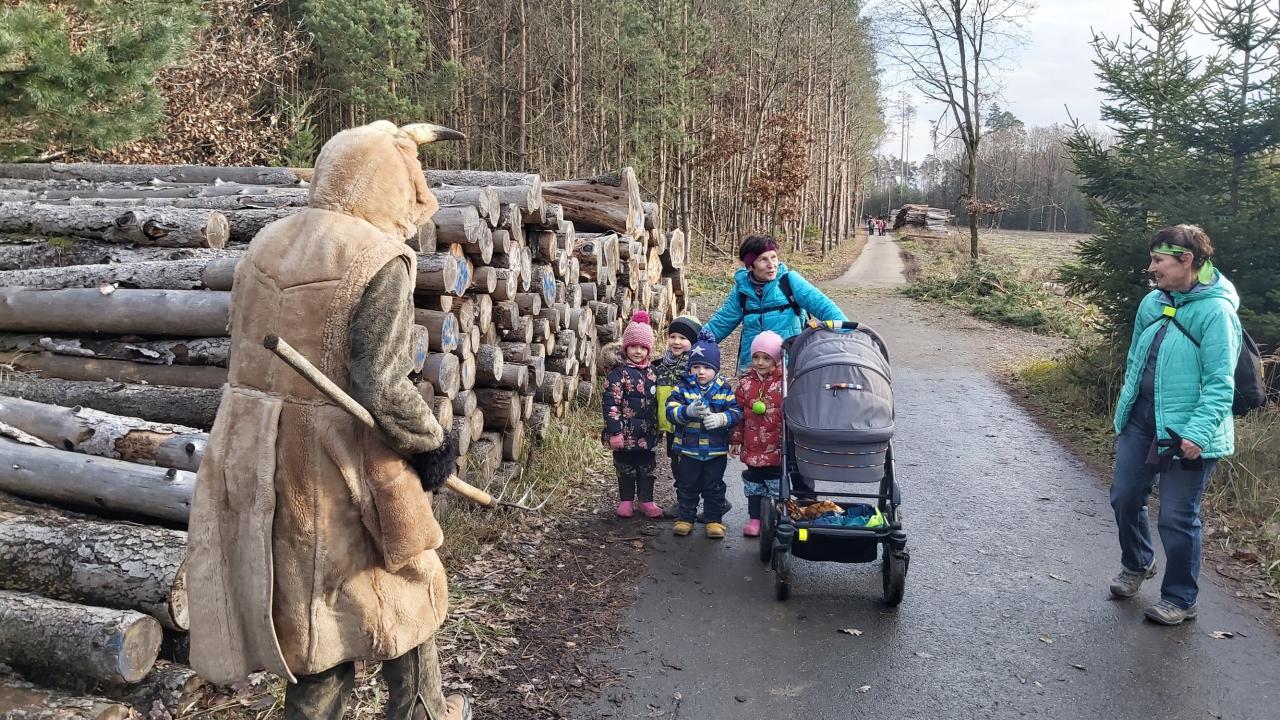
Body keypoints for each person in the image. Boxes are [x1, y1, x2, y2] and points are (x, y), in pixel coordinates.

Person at [186, 121, 471, 720]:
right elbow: (381, 383)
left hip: (250, 445)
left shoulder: (269, 240)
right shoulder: (378, 256)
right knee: (382, 585)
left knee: (319, 601)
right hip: (335, 456)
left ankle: (424, 708)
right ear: (391, 181)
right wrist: (430, 443)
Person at [1108, 224, 1242, 626]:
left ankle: (1181, 599)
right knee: (1125, 497)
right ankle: (1138, 562)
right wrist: (1125, 410)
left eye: (1158, 260)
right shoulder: (1152, 302)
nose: (1151, 268)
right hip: (1141, 421)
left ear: (1187, 261)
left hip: (1187, 432)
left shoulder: (1216, 312)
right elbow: (1135, 360)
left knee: (1176, 517)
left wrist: (1197, 434)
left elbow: (1221, 383)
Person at [703, 234, 847, 372]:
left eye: (773, 257)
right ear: (750, 266)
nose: (771, 265)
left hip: (787, 366)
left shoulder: (789, 281)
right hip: (753, 369)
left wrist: (849, 333)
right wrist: (694, 343)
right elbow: (721, 323)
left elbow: (824, 307)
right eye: (763, 259)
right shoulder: (742, 290)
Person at [666, 331, 742, 538]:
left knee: (714, 486)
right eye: (696, 367)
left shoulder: (724, 389)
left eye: (707, 368)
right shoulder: (682, 388)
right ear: (689, 368)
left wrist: (721, 419)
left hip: (715, 450)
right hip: (688, 449)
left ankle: (713, 520)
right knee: (687, 485)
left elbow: (736, 412)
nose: (701, 372)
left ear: (716, 369)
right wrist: (687, 411)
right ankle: (685, 518)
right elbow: (670, 411)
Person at [602, 310, 663, 519]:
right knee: (625, 468)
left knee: (647, 468)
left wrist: (660, 427)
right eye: (634, 346)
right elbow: (611, 404)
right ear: (626, 347)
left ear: (649, 349)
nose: (638, 351)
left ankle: (646, 501)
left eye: (643, 347)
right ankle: (626, 501)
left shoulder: (653, 373)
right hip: (624, 434)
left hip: (647, 433)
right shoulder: (618, 373)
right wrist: (615, 432)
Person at [730, 330, 784, 537]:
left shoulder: (784, 384)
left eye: (766, 358)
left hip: (776, 446)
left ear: (776, 360)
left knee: (776, 484)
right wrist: (735, 440)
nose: (760, 362)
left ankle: (778, 518)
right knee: (754, 483)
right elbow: (738, 415)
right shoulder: (745, 384)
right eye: (756, 357)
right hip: (752, 444)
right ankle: (755, 519)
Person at [654, 314, 703, 480]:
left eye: (682, 338)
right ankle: (681, 491)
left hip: (688, 423)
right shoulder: (662, 365)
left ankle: (695, 488)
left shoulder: (695, 366)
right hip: (669, 422)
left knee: (689, 459)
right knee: (674, 457)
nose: (676, 342)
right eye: (672, 336)